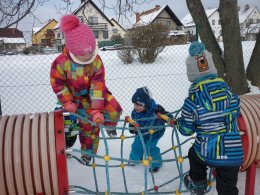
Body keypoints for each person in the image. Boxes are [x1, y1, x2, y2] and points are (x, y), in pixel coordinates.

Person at [50, 14, 123, 165]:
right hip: (72, 97)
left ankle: (108, 127)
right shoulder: (62, 63)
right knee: (83, 126)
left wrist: (96, 110)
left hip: (94, 95)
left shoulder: (96, 61)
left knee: (113, 110)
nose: (89, 55)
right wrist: (68, 102)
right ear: (73, 50)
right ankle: (77, 150)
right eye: (85, 54)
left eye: (91, 51)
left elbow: (98, 85)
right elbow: (58, 83)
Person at [176, 41, 243, 195]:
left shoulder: (192, 101)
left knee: (194, 155)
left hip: (208, 152)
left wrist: (179, 123)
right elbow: (236, 111)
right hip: (234, 152)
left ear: (192, 75)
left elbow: (186, 130)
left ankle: (199, 187)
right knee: (228, 188)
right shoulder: (230, 94)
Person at [129, 87, 171, 173]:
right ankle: (135, 159)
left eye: (139, 105)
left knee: (149, 147)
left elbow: (168, 117)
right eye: (135, 104)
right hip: (143, 131)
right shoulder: (135, 112)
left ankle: (156, 163)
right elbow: (133, 122)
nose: (136, 107)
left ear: (146, 105)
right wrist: (133, 128)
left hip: (155, 131)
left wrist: (165, 118)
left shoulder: (156, 109)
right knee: (137, 144)